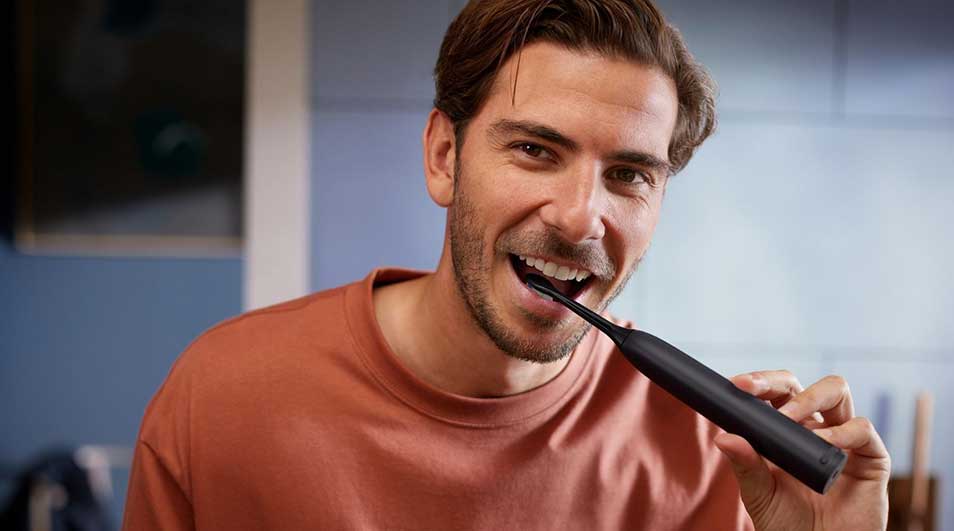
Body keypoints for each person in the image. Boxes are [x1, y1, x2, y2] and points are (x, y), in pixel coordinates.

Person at [122, 1, 890, 529]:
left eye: (629, 174)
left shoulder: (708, 458)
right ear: (444, 156)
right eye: (534, 150)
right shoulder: (217, 398)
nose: (581, 214)